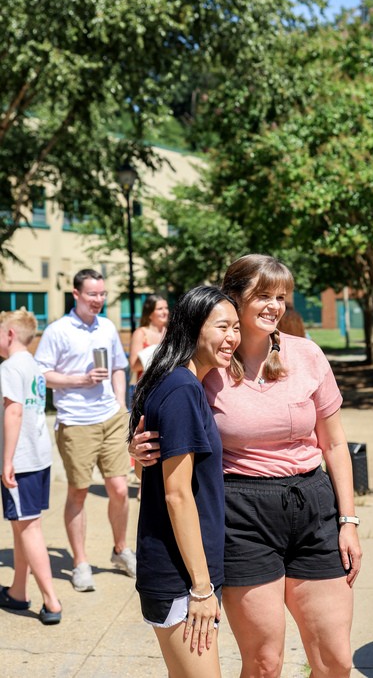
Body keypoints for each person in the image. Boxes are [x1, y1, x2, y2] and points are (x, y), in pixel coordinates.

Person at [130, 254, 362, 678]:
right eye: (263, 295)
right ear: (233, 298)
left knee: (336, 661)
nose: (275, 305)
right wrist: (140, 446)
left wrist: (348, 519)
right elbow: (165, 414)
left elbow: (335, 441)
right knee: (264, 662)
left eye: (281, 296)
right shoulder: (208, 365)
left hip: (313, 506)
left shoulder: (307, 355)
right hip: (242, 515)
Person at [129, 286, 240, 677]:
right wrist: (201, 588)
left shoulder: (177, 383)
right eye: (223, 326)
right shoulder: (182, 390)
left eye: (236, 328)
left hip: (180, 571)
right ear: (193, 327)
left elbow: (148, 472)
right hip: (180, 577)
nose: (233, 337)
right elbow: (177, 496)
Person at [35, 269, 136, 593]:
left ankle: (121, 550)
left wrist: (121, 405)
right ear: (76, 295)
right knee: (78, 491)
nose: (99, 300)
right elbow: (42, 374)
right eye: (92, 294)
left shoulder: (106, 327)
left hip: (110, 417)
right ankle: (80, 563)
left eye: (102, 294)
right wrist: (79, 380)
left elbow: (119, 367)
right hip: (75, 422)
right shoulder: (58, 331)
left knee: (120, 489)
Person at [0, 308, 62, 624]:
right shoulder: (35, 366)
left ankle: (51, 601)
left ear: (9, 334)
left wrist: (7, 460)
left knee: (29, 526)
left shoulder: (11, 367)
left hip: (21, 459)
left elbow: (13, 413)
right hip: (39, 456)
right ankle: (18, 591)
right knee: (22, 525)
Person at [128, 294, 169, 385]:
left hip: (167, 384)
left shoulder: (170, 333)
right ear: (149, 313)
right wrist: (156, 352)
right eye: (160, 309)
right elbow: (134, 366)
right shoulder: (140, 333)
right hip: (146, 387)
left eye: (166, 308)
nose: (165, 312)